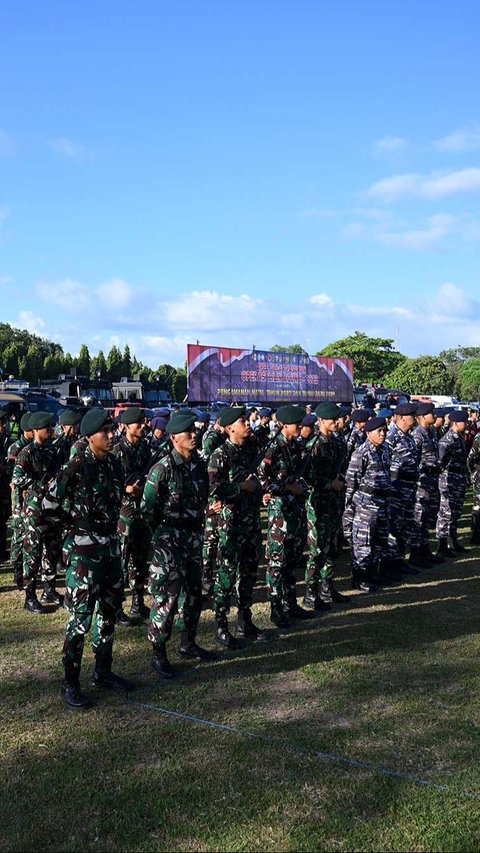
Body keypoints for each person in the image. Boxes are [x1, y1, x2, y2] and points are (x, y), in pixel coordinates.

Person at [43, 408, 135, 709]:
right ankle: (70, 682)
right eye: (105, 432)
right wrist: (73, 525)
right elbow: (48, 505)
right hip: (84, 554)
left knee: (109, 613)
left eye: (112, 429)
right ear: (88, 436)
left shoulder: (112, 464)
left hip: (109, 548)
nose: (111, 435)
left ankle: (103, 672)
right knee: (80, 619)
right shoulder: (76, 466)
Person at [141, 411, 216, 680]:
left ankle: (188, 642)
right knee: (166, 598)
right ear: (174, 438)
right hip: (169, 542)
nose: (194, 435)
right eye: (188, 433)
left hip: (193, 538)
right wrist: (162, 536)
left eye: (194, 431)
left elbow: (203, 496)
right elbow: (147, 510)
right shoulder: (162, 469)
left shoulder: (198, 464)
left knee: (194, 593)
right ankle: (159, 654)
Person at [208, 406, 266, 647]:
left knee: (250, 574)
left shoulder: (251, 449)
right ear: (230, 427)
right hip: (230, 526)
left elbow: (261, 479)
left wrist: (258, 487)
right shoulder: (220, 455)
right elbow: (213, 489)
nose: (248, 423)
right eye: (243, 421)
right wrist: (241, 487)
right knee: (226, 577)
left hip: (251, 522)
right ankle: (221, 626)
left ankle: (245, 620)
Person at [257, 405, 313, 628]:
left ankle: (291, 602)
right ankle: (275, 607)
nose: (300, 427)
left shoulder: (295, 446)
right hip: (280, 513)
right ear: (283, 425)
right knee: (277, 561)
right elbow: (262, 480)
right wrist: (287, 488)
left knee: (292, 559)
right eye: (296, 425)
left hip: (296, 509)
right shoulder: (273, 450)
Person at [11, 411, 64, 611]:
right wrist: (39, 485)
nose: (50, 430)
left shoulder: (52, 451)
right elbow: (17, 478)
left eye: (51, 427)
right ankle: (30, 595)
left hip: (51, 507)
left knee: (51, 549)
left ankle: (49, 589)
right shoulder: (27, 452)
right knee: (32, 552)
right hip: (34, 508)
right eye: (46, 427)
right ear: (35, 431)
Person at [303, 403, 349, 610]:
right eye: (333, 420)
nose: (337, 422)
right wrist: (331, 484)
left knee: (332, 547)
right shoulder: (314, 445)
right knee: (317, 549)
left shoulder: (337, 443)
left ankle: (327, 587)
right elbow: (308, 477)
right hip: (318, 504)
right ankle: (310, 593)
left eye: (337, 419)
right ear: (321, 421)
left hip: (334, 503)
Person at [112, 408, 152, 622]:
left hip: (142, 511)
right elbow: (109, 483)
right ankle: (117, 608)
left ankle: (138, 602)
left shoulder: (145, 447)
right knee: (121, 559)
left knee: (140, 558)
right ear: (127, 427)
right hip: (124, 512)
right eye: (138, 424)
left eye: (143, 423)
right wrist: (126, 489)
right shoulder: (117, 451)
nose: (143, 426)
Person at [343, 417, 391, 592]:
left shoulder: (385, 450)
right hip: (365, 504)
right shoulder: (361, 453)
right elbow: (351, 483)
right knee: (363, 542)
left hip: (382, 502)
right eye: (379, 431)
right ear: (368, 433)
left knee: (379, 540)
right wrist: (350, 508)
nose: (383, 434)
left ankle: (372, 573)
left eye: (384, 430)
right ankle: (359, 577)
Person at [384, 402, 420, 577]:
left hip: (409, 488)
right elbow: (384, 464)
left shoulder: (409, 437)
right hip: (396, 489)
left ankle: (399, 560)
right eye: (412, 416)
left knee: (405, 525)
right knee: (394, 527)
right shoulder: (392, 438)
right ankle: (390, 564)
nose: (414, 419)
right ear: (402, 418)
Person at [410, 403, 443, 568]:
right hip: (422, 482)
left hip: (432, 481)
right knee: (419, 517)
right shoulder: (418, 435)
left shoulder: (431, 433)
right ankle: (416, 554)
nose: (435, 416)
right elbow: (413, 461)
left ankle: (425, 551)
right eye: (431, 413)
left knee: (427, 517)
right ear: (422, 417)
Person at [436, 410, 469, 556]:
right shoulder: (446, 441)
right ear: (456, 423)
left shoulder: (459, 438)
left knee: (455, 512)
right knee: (445, 513)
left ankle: (453, 540)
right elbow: (440, 464)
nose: (466, 424)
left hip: (458, 479)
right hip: (448, 480)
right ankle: (443, 545)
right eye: (464, 422)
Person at [7, 412, 34, 586]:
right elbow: (13, 476)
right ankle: (17, 569)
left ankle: (28, 568)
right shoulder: (16, 448)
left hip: (31, 496)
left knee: (28, 533)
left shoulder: (35, 447)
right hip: (19, 496)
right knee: (18, 533)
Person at [0, 411, 12, 560]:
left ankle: (2, 551)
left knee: (3, 520)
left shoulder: (4, 439)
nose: (3, 426)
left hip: (3, 485)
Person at [467, 430, 480, 544]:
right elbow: (470, 458)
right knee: (478, 506)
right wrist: (474, 473)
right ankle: (476, 534)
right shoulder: (479, 438)